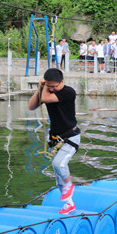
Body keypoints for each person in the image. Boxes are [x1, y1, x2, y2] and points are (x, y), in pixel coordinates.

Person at [28, 68, 80, 214]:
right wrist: (40, 88)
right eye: (49, 86)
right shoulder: (47, 92)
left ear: (61, 82)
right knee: (58, 174)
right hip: (55, 139)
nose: (51, 89)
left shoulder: (68, 92)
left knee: (59, 163)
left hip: (71, 137)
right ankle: (69, 204)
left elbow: (44, 99)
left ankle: (69, 186)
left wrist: (45, 87)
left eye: (53, 86)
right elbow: (31, 106)